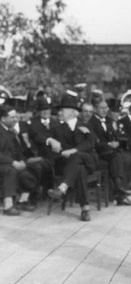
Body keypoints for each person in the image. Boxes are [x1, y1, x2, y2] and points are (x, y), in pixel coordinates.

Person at [47, 91, 99, 222]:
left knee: (77, 156)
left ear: (71, 112)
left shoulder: (86, 125)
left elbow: (91, 143)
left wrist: (73, 150)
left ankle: (63, 187)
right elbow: (52, 144)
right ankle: (85, 209)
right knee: (79, 169)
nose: (60, 113)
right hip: (70, 165)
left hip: (88, 161)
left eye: (62, 110)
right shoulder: (57, 128)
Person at [87, 97, 131, 206]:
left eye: (106, 108)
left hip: (110, 152)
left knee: (123, 158)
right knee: (117, 158)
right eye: (102, 108)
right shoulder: (91, 122)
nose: (105, 110)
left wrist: (117, 142)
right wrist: (109, 144)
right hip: (98, 152)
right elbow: (94, 141)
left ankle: (119, 191)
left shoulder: (109, 121)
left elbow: (116, 136)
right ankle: (119, 190)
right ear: (95, 109)